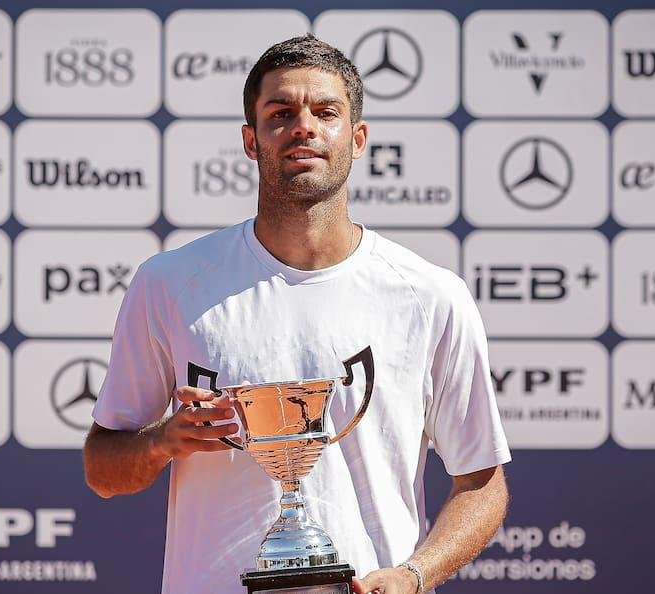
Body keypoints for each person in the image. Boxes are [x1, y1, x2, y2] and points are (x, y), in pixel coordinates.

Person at [83, 34, 510, 594]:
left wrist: (414, 575)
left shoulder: (430, 295)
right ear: (251, 140)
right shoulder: (170, 283)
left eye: (325, 113)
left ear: (357, 138)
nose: (303, 127)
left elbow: (483, 482)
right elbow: (103, 470)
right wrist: (164, 440)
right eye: (280, 113)